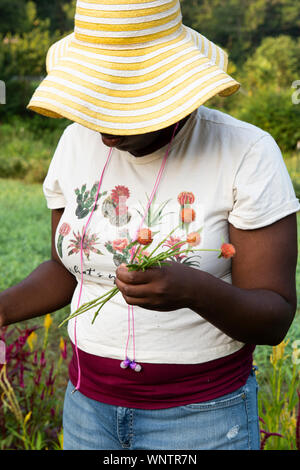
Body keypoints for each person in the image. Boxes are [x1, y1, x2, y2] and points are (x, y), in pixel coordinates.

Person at [0, 0, 299, 451]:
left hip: (203, 418)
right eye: (95, 107)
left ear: (175, 94)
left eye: (123, 111)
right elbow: (67, 269)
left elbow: (274, 316)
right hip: (86, 408)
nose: (106, 134)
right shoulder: (74, 143)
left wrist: (194, 290)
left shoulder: (245, 153)